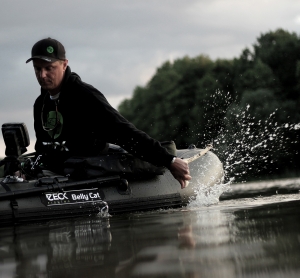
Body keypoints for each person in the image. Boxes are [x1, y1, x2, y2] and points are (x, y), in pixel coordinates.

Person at [26, 38, 191, 188]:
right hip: (58, 173)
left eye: (49, 68)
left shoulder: (85, 96)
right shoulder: (40, 104)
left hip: (90, 171)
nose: (42, 75)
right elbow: (42, 147)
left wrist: (168, 160)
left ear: (64, 64)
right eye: (37, 69)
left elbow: (124, 133)